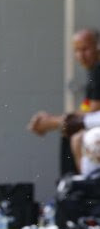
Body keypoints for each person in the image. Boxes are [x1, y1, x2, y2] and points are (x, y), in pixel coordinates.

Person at [28, 28, 100, 173]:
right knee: (69, 131)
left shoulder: (98, 70)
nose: (81, 55)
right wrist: (58, 120)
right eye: (77, 50)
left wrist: (53, 122)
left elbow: (93, 112)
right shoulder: (93, 72)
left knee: (75, 136)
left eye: (85, 49)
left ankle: (82, 189)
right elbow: (86, 109)